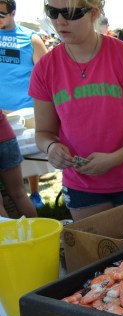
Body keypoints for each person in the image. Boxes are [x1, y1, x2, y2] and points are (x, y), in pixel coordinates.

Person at [30, 0, 123, 221]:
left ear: (94, 13)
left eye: (71, 13)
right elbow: (43, 132)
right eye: (53, 12)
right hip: (82, 186)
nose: (60, 21)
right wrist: (51, 147)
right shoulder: (45, 68)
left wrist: (114, 159)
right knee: (97, 254)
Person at [0, 0, 49, 209]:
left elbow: (47, 73)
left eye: (1, 14)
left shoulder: (31, 38)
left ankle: (35, 193)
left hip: (26, 108)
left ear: (13, 13)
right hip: (2, 111)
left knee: (31, 157)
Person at [0, 112, 37, 218]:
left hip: (6, 136)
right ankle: (35, 233)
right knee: (20, 194)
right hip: (5, 134)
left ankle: (6, 235)